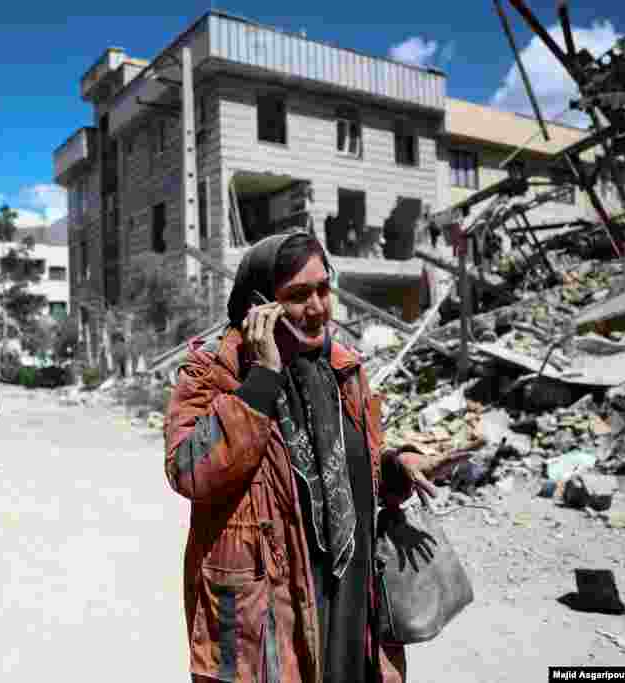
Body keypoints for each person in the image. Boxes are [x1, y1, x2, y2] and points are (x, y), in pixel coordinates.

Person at [164, 230, 467, 683]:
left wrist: (395, 468)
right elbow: (189, 470)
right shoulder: (213, 372)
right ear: (259, 304)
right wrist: (262, 380)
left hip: (348, 599)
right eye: (298, 295)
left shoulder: (341, 368)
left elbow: (346, 468)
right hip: (271, 610)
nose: (318, 307)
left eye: (324, 289)